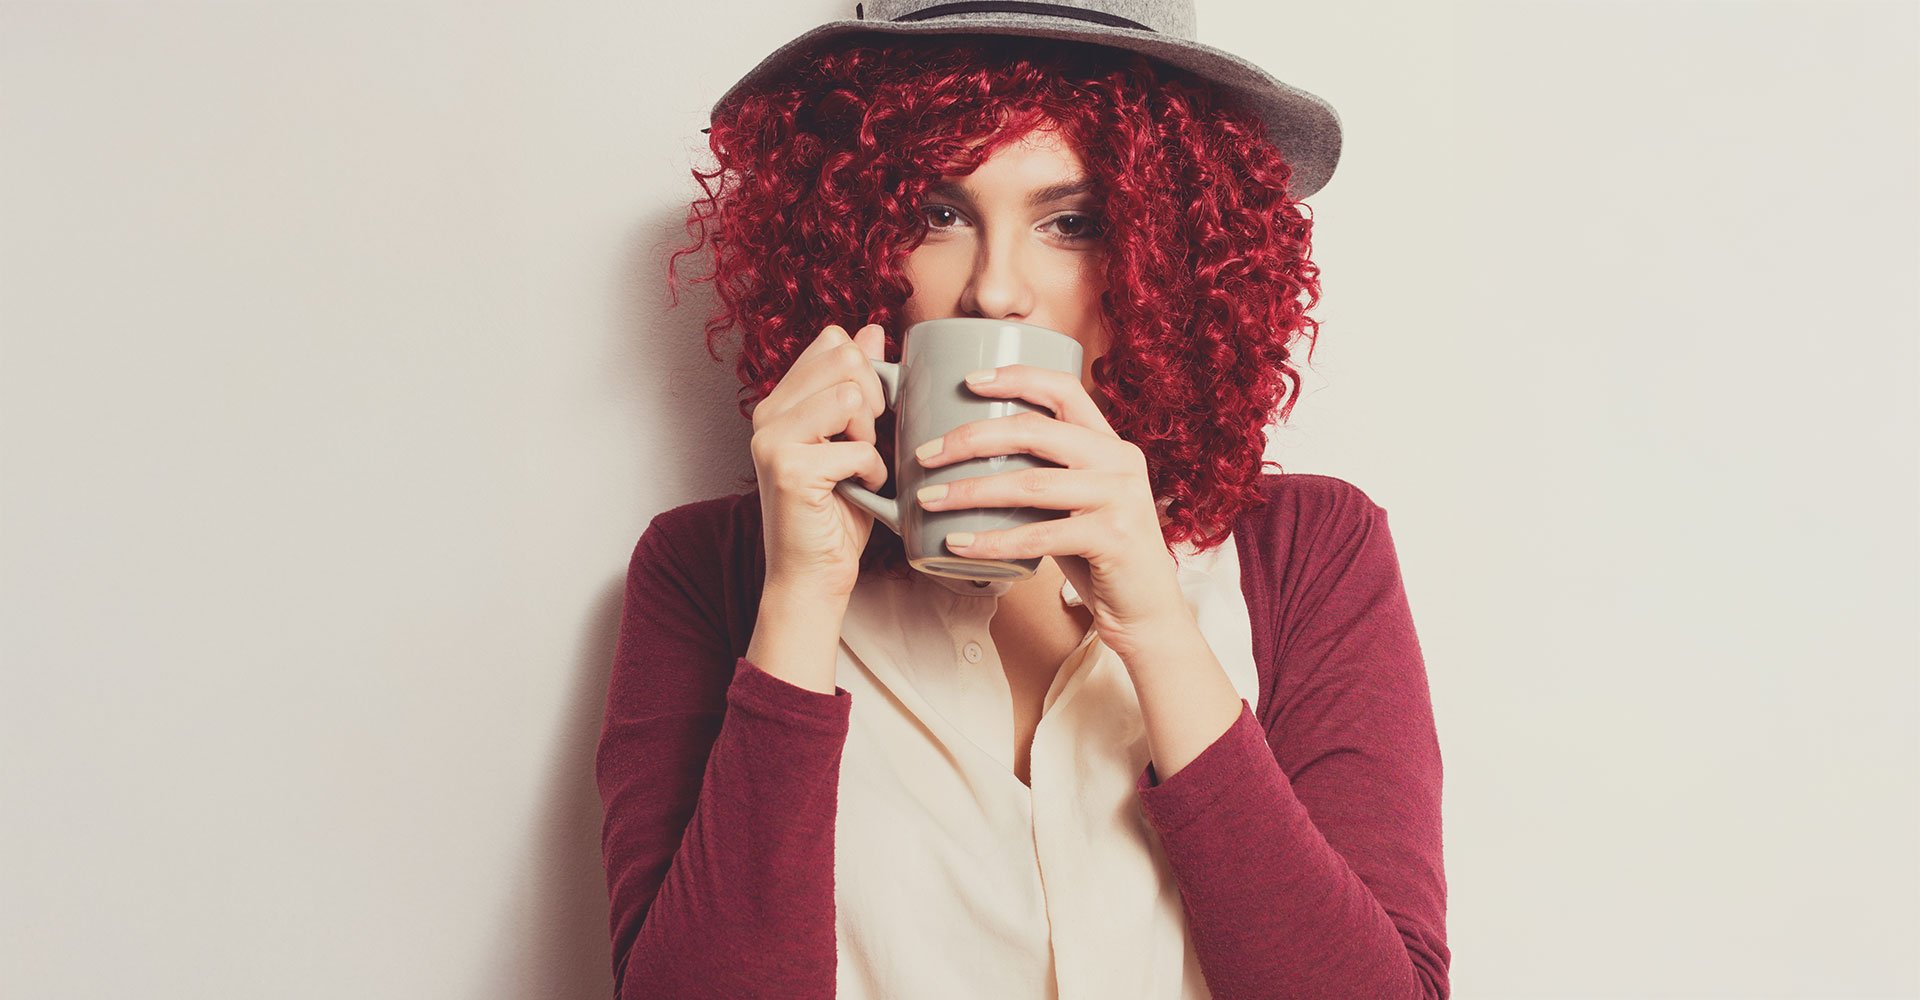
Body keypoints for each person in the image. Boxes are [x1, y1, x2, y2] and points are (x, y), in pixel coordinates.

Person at [596, 3, 1449, 998]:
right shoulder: (713, 572)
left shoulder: (1311, 552)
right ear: (858, 235)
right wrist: (801, 603)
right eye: (938, 214)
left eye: (1071, 222)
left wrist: (1159, 627)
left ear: (1162, 254)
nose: (995, 292)